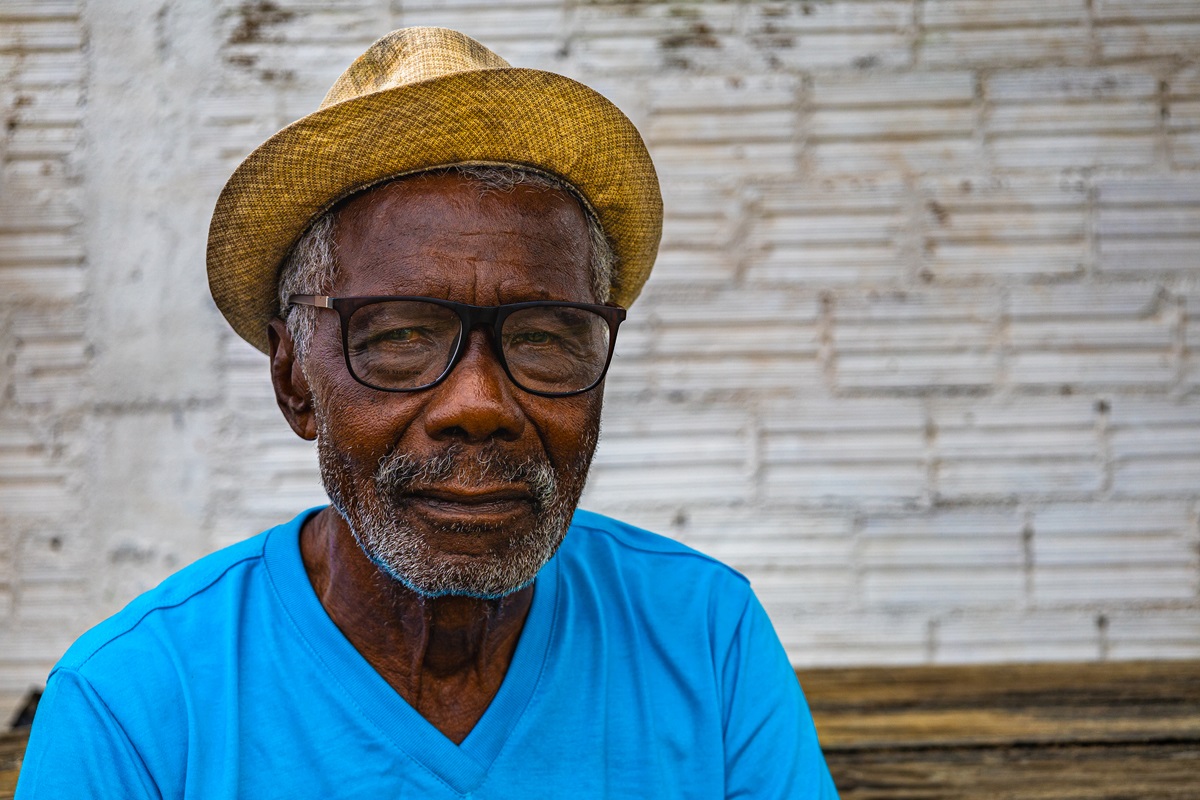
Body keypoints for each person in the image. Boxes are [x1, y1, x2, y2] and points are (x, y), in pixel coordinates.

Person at [16, 27, 838, 799]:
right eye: (401, 335)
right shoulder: (133, 708)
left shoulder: (705, 636)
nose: (479, 404)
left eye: (543, 336)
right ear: (293, 380)